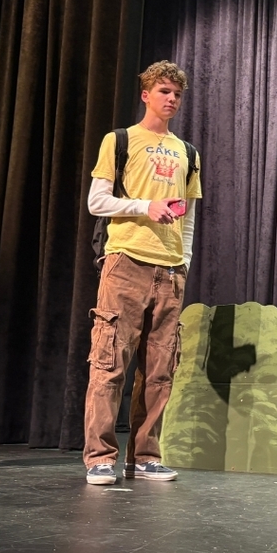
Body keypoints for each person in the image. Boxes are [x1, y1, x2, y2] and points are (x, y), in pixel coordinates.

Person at [82, 60, 202, 484]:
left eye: (177, 94)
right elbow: (98, 201)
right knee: (110, 362)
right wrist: (142, 206)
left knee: (159, 370)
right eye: (164, 91)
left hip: (169, 272)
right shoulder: (120, 141)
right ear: (145, 94)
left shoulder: (188, 152)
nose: (171, 99)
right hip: (125, 262)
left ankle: (145, 455)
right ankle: (100, 457)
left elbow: (187, 217)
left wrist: (183, 263)